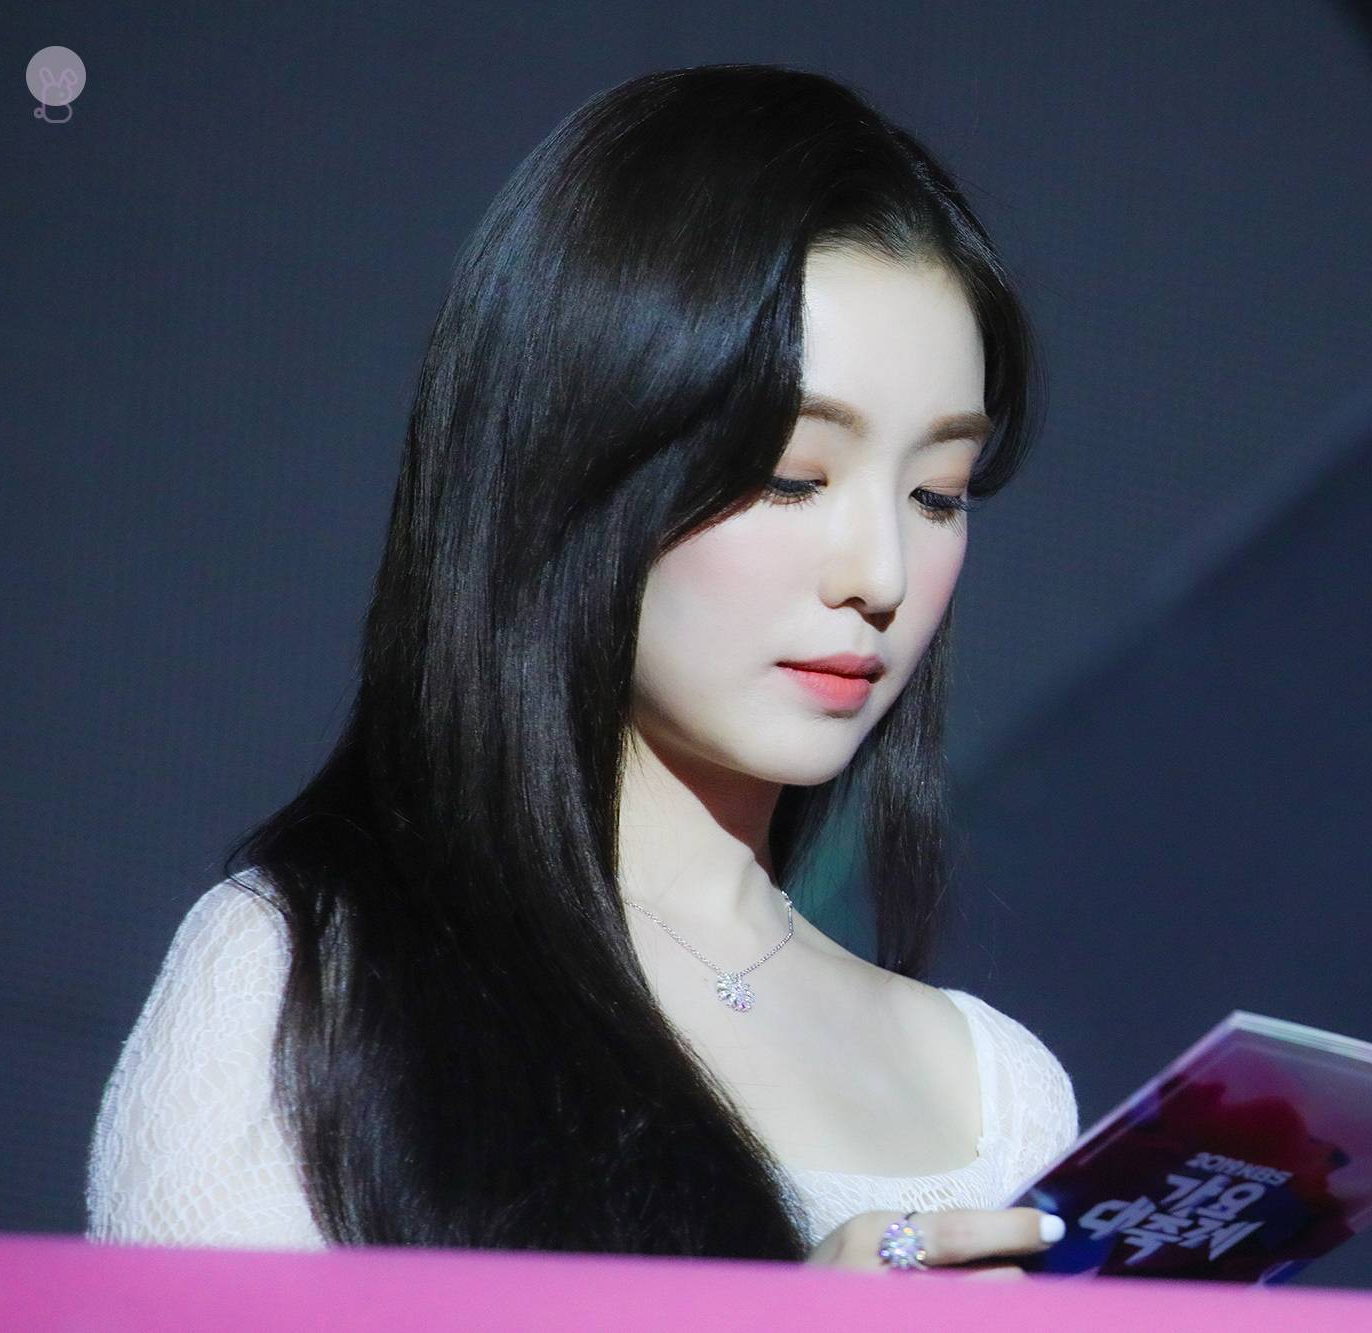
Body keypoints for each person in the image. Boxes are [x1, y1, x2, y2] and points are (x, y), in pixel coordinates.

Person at [83, 63, 1078, 1277]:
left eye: (936, 494)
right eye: (790, 477)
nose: (878, 572)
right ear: (578, 461)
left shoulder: (996, 1098)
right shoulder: (311, 989)